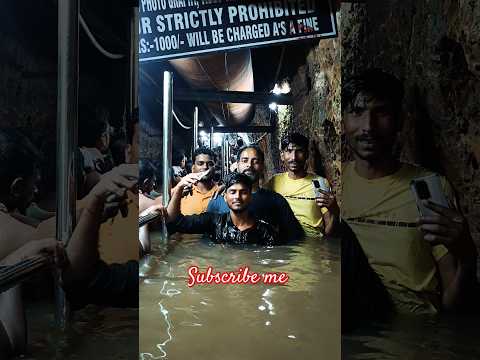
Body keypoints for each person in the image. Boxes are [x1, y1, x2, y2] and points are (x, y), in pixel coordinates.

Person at [341, 69, 477, 317]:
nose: (368, 127)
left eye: (381, 112)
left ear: (400, 121)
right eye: (357, 112)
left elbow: (452, 304)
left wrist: (468, 257)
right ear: (343, 121)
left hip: (414, 339)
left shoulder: (429, 188)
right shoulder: (337, 184)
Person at [144, 173, 278, 246]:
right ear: (225, 197)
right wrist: (179, 188)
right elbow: (176, 222)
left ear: (250, 197)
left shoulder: (264, 231)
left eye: (243, 192)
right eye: (232, 192)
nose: (237, 197)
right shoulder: (213, 222)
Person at [208, 144, 305, 243]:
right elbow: (206, 241)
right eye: (244, 160)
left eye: (255, 162)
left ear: (262, 166)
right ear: (237, 164)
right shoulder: (218, 200)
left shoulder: (276, 201)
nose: (249, 165)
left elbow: (295, 238)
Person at [265, 133, 338, 236]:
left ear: (307, 155)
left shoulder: (319, 183)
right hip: (285, 244)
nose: (294, 157)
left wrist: (334, 209)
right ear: (282, 155)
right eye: (289, 151)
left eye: (299, 151)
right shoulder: (274, 182)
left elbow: (329, 227)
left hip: (313, 244)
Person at [173, 147, 219, 215]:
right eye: (200, 164)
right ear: (193, 168)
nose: (205, 167)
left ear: (214, 167)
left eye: (210, 164)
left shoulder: (221, 191)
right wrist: (178, 192)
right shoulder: (183, 192)